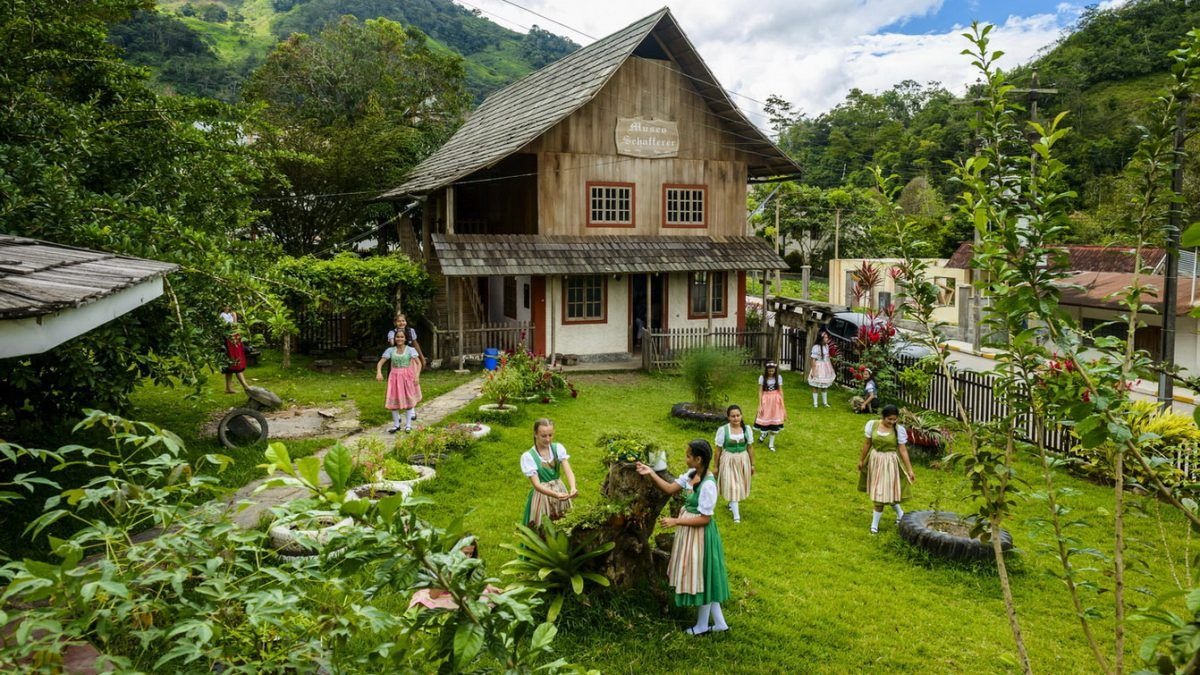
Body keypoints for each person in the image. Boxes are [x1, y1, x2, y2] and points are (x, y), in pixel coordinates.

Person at [635, 440, 730, 635]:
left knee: (701, 576)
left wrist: (676, 522)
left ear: (698, 459)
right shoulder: (691, 475)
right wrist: (650, 472)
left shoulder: (708, 485)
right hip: (691, 534)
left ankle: (703, 626)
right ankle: (720, 624)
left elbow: (705, 519)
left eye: (688, 456)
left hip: (701, 536)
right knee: (704, 576)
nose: (685, 459)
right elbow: (670, 489)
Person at [856, 404, 916, 534]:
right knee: (882, 490)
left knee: (884, 491)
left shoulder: (898, 430)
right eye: (889, 419)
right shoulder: (873, 425)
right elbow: (867, 443)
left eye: (895, 419)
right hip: (875, 460)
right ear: (883, 417)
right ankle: (900, 514)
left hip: (889, 463)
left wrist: (909, 469)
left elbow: (903, 450)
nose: (892, 422)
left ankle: (874, 526)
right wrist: (861, 460)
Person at [521, 418, 577, 527]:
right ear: (535, 434)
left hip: (560, 489)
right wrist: (555, 495)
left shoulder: (558, 448)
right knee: (543, 525)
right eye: (543, 436)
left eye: (550, 435)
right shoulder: (528, 457)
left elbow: (568, 471)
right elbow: (536, 485)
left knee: (564, 523)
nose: (548, 439)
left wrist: (573, 487)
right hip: (542, 495)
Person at [375, 331, 422, 433]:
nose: (399, 339)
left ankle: (408, 425)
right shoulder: (390, 350)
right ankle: (396, 425)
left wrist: (417, 376)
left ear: (405, 338)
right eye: (397, 337)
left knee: (409, 399)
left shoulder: (410, 350)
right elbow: (380, 363)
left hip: (407, 377)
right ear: (395, 338)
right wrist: (379, 372)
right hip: (394, 377)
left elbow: (419, 364)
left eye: (402, 337)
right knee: (393, 399)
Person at [714, 404, 754, 523]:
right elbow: (718, 450)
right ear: (728, 418)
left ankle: (732, 503)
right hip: (728, 459)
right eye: (733, 416)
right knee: (733, 485)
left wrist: (752, 464)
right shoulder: (723, 430)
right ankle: (737, 517)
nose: (736, 418)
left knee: (739, 482)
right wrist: (715, 466)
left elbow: (750, 448)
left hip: (743, 459)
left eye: (738, 415)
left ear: (741, 416)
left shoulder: (747, 429)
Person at [753, 362, 786, 450]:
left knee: (774, 421)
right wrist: (759, 404)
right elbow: (760, 391)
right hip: (766, 400)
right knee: (766, 418)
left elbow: (780, 390)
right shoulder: (762, 378)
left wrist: (782, 403)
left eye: (772, 371)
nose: (771, 373)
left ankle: (771, 444)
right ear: (766, 370)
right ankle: (764, 434)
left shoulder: (778, 378)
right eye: (769, 371)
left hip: (775, 400)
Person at [219, 306, 249, 394]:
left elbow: (235, 327)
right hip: (228, 341)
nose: (228, 307)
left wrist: (234, 317)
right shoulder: (221, 315)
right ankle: (245, 386)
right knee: (234, 363)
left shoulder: (231, 314)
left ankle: (228, 388)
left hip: (235, 340)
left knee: (231, 364)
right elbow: (226, 328)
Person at [808, 332, 836, 407]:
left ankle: (825, 402)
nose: (827, 339)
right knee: (815, 385)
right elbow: (813, 359)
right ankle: (815, 403)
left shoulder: (826, 346)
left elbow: (827, 358)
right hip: (818, 367)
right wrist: (813, 371)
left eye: (827, 337)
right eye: (825, 337)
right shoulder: (816, 347)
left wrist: (830, 368)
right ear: (821, 338)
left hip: (825, 367)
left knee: (824, 385)